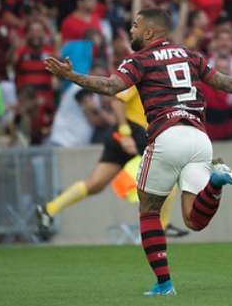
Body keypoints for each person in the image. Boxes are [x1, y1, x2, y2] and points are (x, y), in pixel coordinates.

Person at [44, 8, 232, 296]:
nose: (131, 30)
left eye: (135, 25)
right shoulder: (190, 55)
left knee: (149, 210)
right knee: (194, 220)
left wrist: (73, 76)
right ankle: (215, 183)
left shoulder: (140, 59)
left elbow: (112, 87)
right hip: (199, 138)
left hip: (167, 134)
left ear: (150, 32)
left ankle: (164, 284)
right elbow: (224, 82)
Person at [37, 79, 188, 240]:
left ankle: (49, 209)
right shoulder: (144, 73)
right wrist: (125, 133)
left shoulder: (164, 78)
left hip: (138, 135)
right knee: (168, 174)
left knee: (96, 184)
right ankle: (162, 226)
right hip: (132, 133)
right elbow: (117, 102)